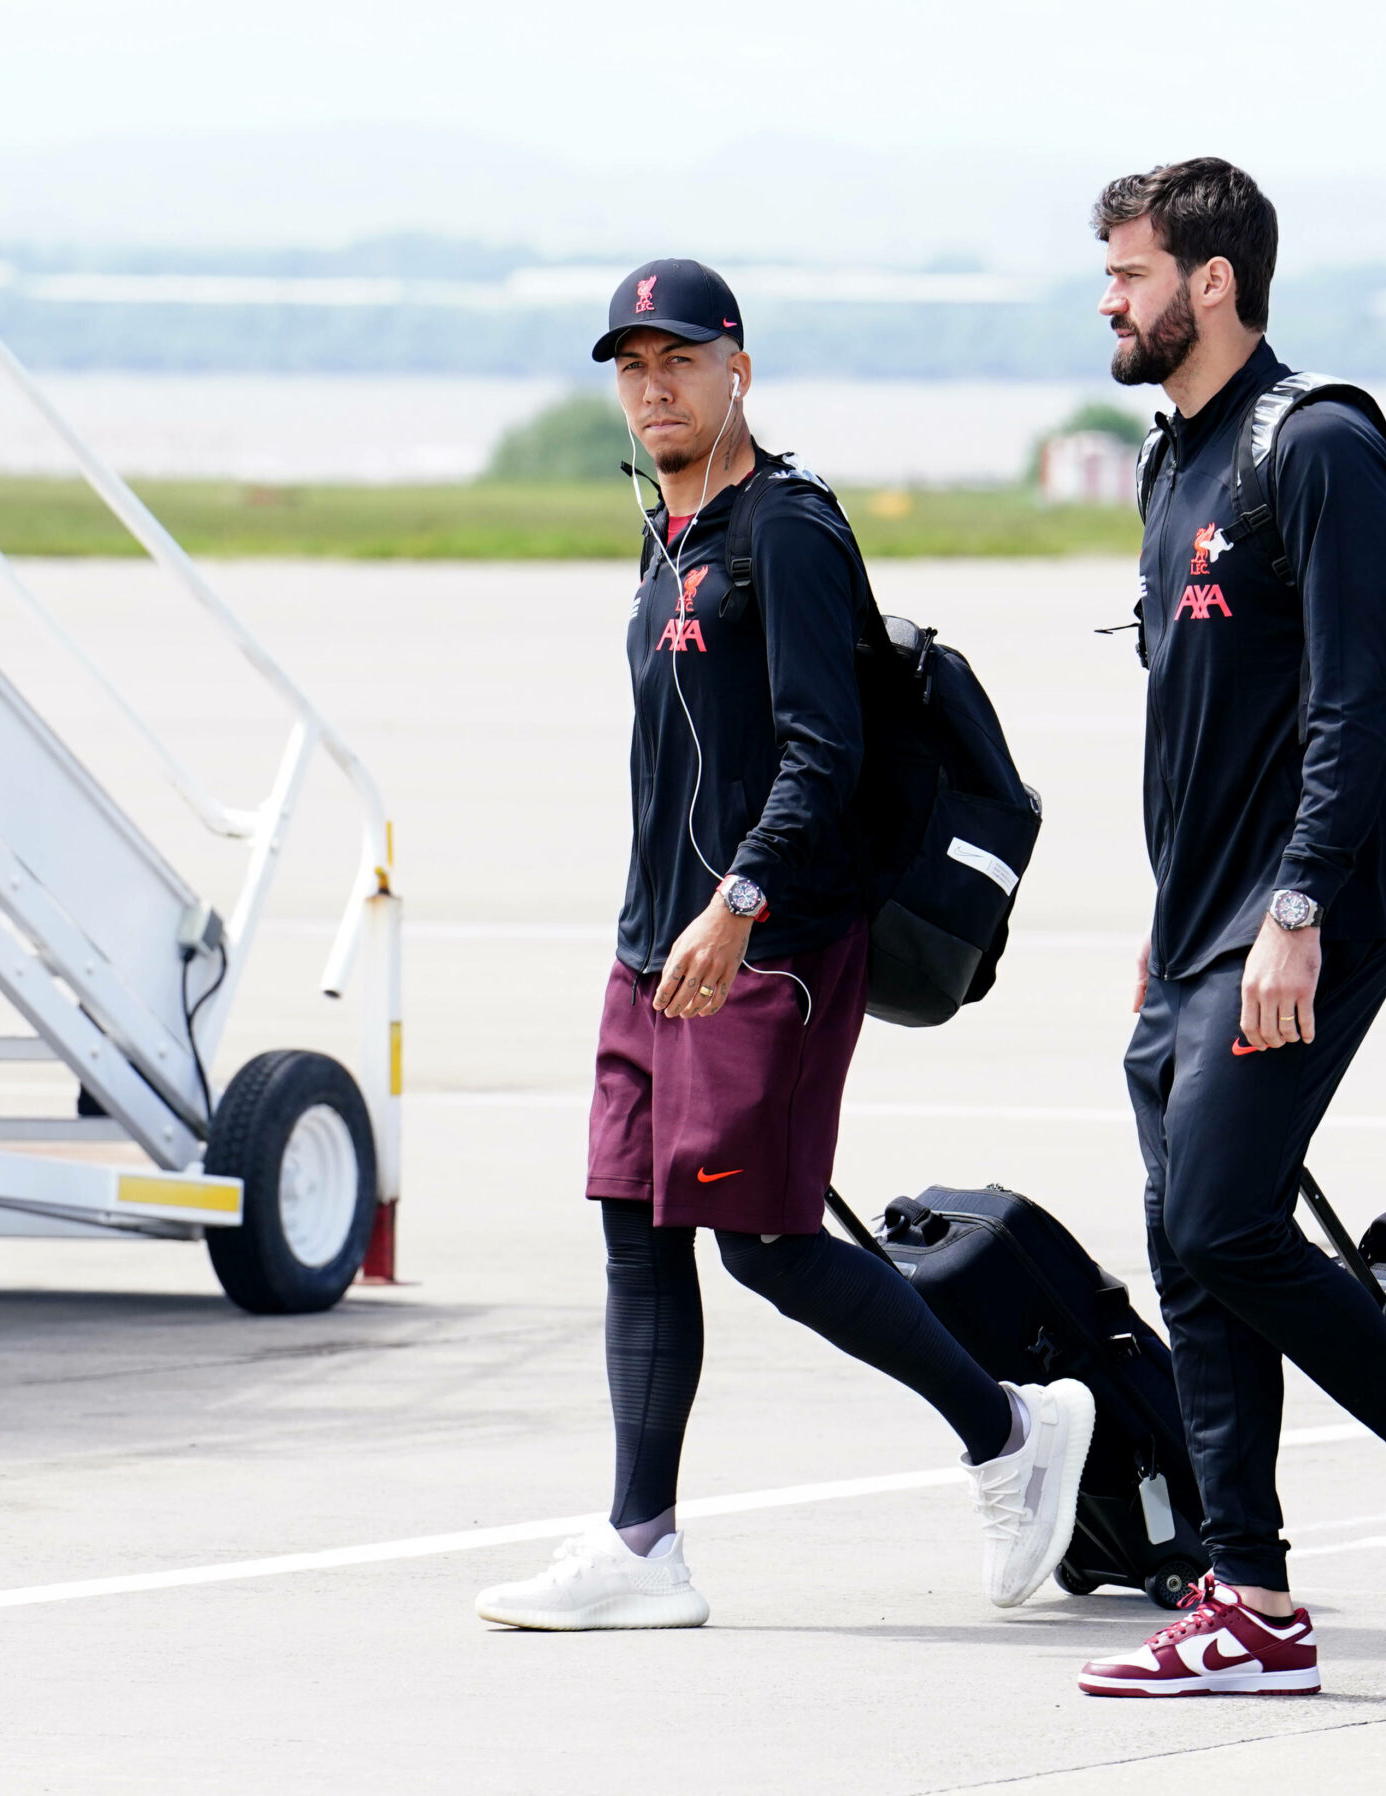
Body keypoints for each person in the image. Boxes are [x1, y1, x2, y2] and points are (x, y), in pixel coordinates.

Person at [475, 258, 1094, 1632]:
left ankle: (1010, 1431)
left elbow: (829, 746)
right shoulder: (669, 538)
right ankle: (644, 1545)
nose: (653, 387)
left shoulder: (790, 531)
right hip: (653, 949)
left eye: (678, 360)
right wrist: (660, 926)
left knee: (761, 1242)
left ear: (736, 366)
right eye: (631, 365)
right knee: (634, 1229)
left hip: (775, 944)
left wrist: (741, 899)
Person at [1074, 164, 1386, 1698]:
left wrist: (1292, 907)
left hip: (1312, 909)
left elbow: (1354, 700)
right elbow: (1195, 728)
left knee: (1223, 1218)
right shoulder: (1175, 465)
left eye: (1133, 273)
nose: (1111, 300)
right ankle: (1250, 1602)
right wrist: (1171, 923)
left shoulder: (1319, 444)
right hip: (1199, 924)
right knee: (1190, 1251)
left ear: (1212, 284)